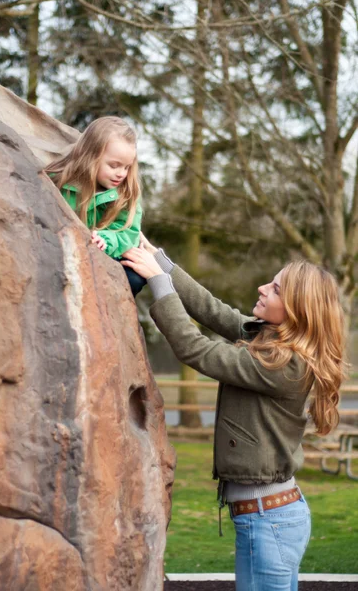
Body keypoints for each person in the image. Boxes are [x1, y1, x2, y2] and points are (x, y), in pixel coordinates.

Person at [121, 237, 346, 591]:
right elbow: (213, 311)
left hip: (268, 519)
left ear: (298, 308)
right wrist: (161, 261)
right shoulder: (271, 341)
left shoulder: (285, 364)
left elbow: (195, 349)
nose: (261, 288)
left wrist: (158, 284)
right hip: (266, 517)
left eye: (275, 288)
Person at [45, 116, 146, 296]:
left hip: (110, 255)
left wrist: (107, 239)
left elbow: (129, 233)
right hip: (68, 250)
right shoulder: (61, 182)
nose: (121, 174)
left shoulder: (128, 193)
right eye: (114, 165)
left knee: (136, 278)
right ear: (91, 156)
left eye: (127, 167)